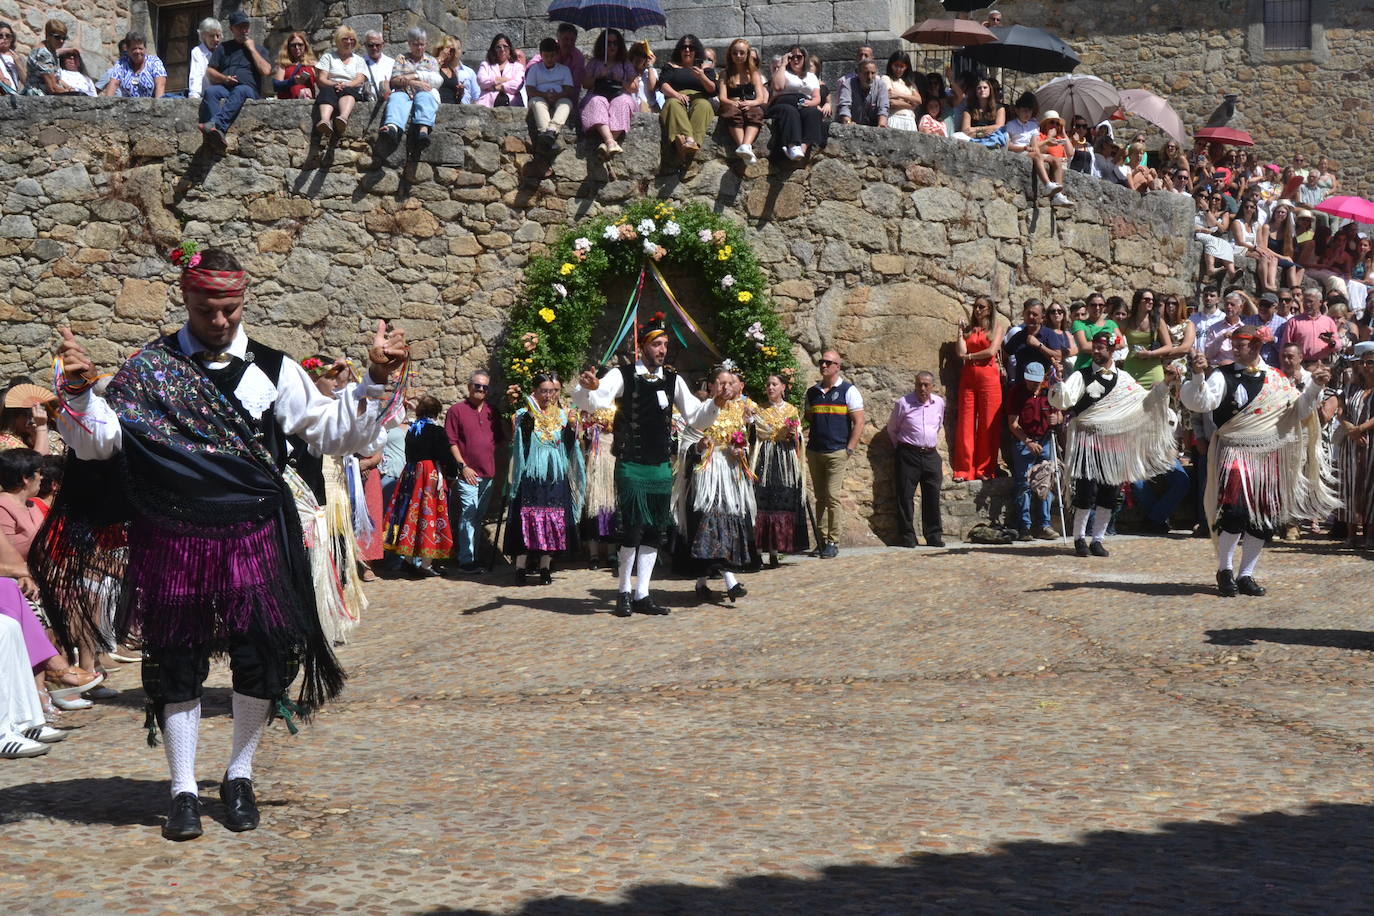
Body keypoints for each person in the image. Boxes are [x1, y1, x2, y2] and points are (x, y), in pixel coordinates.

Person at [35, 244, 407, 841]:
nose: (221, 321)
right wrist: (78, 396)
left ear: (242, 301)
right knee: (174, 662)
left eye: (232, 309)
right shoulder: (149, 367)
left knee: (262, 657)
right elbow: (100, 444)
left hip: (254, 533)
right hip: (173, 536)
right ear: (185, 299)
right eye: (209, 309)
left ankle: (239, 774)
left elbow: (334, 433)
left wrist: (375, 381)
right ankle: (182, 789)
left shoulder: (274, 368)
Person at [572, 317, 728, 616]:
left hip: (659, 464)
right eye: (657, 344)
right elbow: (593, 401)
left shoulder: (673, 380)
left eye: (666, 344)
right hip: (631, 463)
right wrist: (586, 387)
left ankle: (643, 593)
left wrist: (715, 404)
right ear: (642, 347)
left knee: (655, 529)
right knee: (632, 528)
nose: (662, 350)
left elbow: (696, 418)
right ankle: (623, 592)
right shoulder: (623, 375)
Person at [1181, 328, 1336, 596]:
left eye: (1239, 345)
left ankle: (1246, 575)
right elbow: (1201, 402)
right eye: (1233, 344)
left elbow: (1299, 411)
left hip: (1268, 454)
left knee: (1263, 518)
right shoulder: (1222, 375)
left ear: (1255, 345)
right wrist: (1197, 375)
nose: (1234, 349)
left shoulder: (1275, 379)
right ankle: (1225, 569)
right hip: (1235, 450)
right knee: (1235, 511)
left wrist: (1316, 387)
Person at [1050, 330, 1179, 557]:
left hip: (1114, 443)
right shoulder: (1081, 376)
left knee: (1110, 493)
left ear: (1111, 350)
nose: (1096, 352)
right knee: (1085, 491)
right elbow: (1064, 400)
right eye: (1095, 347)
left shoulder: (1124, 379)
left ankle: (1098, 539)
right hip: (1088, 441)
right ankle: (1079, 538)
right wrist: (1059, 383)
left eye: (1101, 348)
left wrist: (1164, 384)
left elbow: (1145, 401)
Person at [676, 366, 756, 603]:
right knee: (712, 523)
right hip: (708, 478)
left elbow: (744, 441)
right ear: (711, 386)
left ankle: (702, 582)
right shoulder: (700, 412)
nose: (726, 387)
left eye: (730, 383)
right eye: (721, 383)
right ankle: (730, 582)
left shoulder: (738, 411)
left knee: (726, 524)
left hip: (730, 477)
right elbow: (686, 446)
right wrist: (700, 447)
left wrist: (739, 450)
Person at [503, 374, 582, 585]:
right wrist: (526, 423)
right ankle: (520, 567)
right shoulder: (523, 415)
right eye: (544, 391)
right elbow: (520, 446)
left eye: (552, 391)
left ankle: (545, 567)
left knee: (553, 520)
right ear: (535, 392)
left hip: (555, 476)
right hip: (532, 477)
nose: (549, 396)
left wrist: (572, 430)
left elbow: (568, 446)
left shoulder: (563, 416)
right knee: (526, 518)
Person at [384, 394, 455, 575]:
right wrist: (452, 474)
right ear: (436, 412)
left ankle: (408, 560)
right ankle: (425, 564)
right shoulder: (436, 431)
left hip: (411, 474)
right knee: (428, 515)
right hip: (428, 476)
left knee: (411, 514)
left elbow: (409, 454)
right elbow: (445, 456)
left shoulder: (412, 429)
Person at [804, 349, 865, 558]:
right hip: (815, 451)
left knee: (832, 496)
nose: (824, 366)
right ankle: (821, 540)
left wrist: (849, 448)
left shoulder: (849, 390)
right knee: (819, 497)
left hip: (837, 451)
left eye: (828, 363)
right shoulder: (812, 393)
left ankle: (833, 540)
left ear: (837, 367)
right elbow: (810, 419)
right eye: (822, 362)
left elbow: (859, 422)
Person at [445, 371, 503, 574]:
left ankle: (473, 556)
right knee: (468, 514)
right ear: (469, 387)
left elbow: (499, 440)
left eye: (485, 387)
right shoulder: (456, 411)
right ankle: (466, 560)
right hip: (467, 473)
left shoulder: (492, 412)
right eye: (477, 386)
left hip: (488, 474)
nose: (480, 390)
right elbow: (451, 441)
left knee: (477, 516)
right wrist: (463, 466)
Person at [751, 373, 809, 564]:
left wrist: (794, 435)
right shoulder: (759, 410)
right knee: (762, 502)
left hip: (784, 461)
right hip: (764, 459)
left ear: (783, 387)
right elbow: (755, 435)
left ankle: (775, 551)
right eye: (768, 384)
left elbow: (798, 438)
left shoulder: (791, 410)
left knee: (780, 502)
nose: (770, 388)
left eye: (774, 384)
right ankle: (758, 552)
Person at [887, 371, 945, 548]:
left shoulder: (939, 403)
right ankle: (907, 536)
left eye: (926, 385)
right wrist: (903, 449)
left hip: (930, 454)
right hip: (908, 454)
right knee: (905, 496)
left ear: (932, 386)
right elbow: (892, 429)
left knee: (932, 495)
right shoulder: (903, 403)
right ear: (914, 384)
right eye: (919, 384)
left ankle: (933, 535)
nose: (922, 388)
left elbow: (939, 424)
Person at [952, 296, 1006, 482]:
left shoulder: (996, 328)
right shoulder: (969, 330)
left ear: (989, 310)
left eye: (981, 307)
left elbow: (991, 352)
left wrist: (969, 356)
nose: (977, 310)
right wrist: (959, 331)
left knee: (988, 424)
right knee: (965, 424)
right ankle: (963, 469)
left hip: (989, 379)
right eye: (975, 306)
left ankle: (985, 469)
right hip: (968, 378)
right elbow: (960, 352)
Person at [1007, 362, 1060, 540]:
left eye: (1037, 382)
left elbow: (1062, 412)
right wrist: (1027, 441)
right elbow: (1013, 424)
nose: (1035, 385)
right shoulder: (1017, 393)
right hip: (1024, 441)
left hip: (1045, 440)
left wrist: (1057, 418)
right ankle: (1025, 527)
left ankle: (1044, 525)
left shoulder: (1049, 390)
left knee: (1047, 480)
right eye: (1031, 382)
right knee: (1024, 483)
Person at [201, 10, 270, 147]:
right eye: (239, 27)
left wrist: (251, 49)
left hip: (249, 90)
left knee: (241, 90)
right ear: (231, 29)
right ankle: (216, 133)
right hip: (226, 88)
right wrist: (225, 78)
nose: (244, 30)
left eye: (246, 26)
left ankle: (217, 125)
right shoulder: (223, 48)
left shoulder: (258, 49)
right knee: (211, 92)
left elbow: (266, 70)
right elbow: (209, 71)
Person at [1333, 344, 1374, 548]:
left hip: (1371, 441)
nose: (1365, 366)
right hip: (1351, 443)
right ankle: (1351, 534)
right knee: (1350, 486)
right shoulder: (1351, 387)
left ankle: (1370, 535)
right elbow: (1341, 409)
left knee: (1371, 487)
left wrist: (1362, 428)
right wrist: (1351, 429)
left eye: (1370, 362)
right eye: (1363, 362)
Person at [580, 29, 638, 161]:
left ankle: (607, 143)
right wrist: (599, 76)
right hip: (598, 92)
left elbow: (634, 87)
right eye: (609, 43)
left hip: (619, 93)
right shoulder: (595, 62)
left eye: (615, 43)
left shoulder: (625, 63)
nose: (612, 46)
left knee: (622, 102)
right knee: (596, 101)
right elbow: (585, 83)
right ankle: (610, 142)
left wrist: (622, 81)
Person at [379, 27, 441, 149]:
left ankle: (423, 131)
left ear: (426, 44)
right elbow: (395, 80)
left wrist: (408, 79)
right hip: (403, 92)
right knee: (396, 98)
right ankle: (392, 128)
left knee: (425, 97)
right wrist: (415, 83)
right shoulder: (401, 58)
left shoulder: (432, 61)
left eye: (422, 44)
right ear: (409, 44)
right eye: (416, 44)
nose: (419, 48)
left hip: (424, 93)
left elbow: (436, 81)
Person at [657, 34, 716, 159]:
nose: (687, 50)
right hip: (676, 97)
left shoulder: (705, 68)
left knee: (704, 105)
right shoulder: (671, 66)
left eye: (691, 47)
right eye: (684, 47)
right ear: (679, 50)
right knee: (672, 104)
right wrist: (677, 95)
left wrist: (702, 76)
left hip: (699, 98)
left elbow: (713, 89)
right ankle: (689, 139)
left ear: (696, 50)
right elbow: (663, 85)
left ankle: (689, 143)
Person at [768, 44, 826, 162]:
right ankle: (792, 145)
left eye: (799, 57)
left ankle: (803, 148)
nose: (795, 59)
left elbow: (816, 98)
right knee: (790, 111)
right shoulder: (783, 72)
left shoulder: (811, 76)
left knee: (813, 113)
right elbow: (778, 87)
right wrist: (783, 64)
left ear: (805, 58)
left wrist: (810, 104)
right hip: (783, 103)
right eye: (792, 57)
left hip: (803, 103)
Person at [580, 398, 618, 570]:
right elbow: (581, 434)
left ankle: (611, 553)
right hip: (594, 461)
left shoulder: (619, 406)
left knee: (611, 506)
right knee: (593, 506)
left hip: (612, 460)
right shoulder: (588, 407)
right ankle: (593, 554)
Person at [718, 38, 766, 163]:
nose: (738, 56)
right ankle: (744, 148)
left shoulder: (754, 73)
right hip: (732, 103)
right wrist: (733, 102)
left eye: (742, 53)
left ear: (747, 54)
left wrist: (751, 103)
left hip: (750, 103)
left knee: (756, 113)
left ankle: (745, 145)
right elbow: (722, 97)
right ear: (730, 54)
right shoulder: (725, 73)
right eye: (735, 53)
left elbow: (760, 97)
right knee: (732, 113)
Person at [313, 26, 366, 138]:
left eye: (352, 39)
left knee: (348, 92)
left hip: (350, 87)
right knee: (326, 91)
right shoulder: (328, 57)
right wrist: (335, 84)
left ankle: (343, 118)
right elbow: (322, 78)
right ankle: (325, 120)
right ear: (338, 40)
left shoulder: (359, 60)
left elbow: (360, 79)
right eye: (345, 39)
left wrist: (346, 85)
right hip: (331, 86)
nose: (349, 42)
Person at [524, 37, 575, 151]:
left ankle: (551, 130)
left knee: (566, 104)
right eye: (546, 56)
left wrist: (558, 96)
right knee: (537, 104)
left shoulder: (564, 70)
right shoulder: (534, 69)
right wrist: (544, 95)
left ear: (557, 55)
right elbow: (530, 89)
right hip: (539, 97)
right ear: (541, 55)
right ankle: (547, 136)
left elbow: (568, 90)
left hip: (559, 97)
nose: (549, 59)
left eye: (552, 55)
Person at [1279, 286, 1340, 362]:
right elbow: (1286, 346)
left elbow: (1338, 344)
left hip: (1324, 365)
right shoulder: (1294, 322)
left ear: (1320, 302)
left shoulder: (1328, 321)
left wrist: (1331, 342)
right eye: (1305, 301)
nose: (1307, 304)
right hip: (1302, 365)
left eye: (1310, 301)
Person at [100, 31, 167, 98]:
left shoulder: (154, 62)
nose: (138, 51)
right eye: (134, 49)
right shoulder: (121, 63)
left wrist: (157, 106)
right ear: (128, 49)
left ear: (145, 49)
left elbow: (160, 85)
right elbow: (113, 83)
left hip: (150, 105)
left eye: (140, 48)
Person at [1031, 111, 1074, 206]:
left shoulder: (1059, 138)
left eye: (1057, 123)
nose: (1054, 125)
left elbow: (1070, 153)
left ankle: (1058, 195)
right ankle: (1057, 195)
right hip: (1050, 161)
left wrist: (1063, 134)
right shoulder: (1040, 135)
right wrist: (1049, 137)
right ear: (1045, 124)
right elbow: (1039, 151)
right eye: (1052, 122)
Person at [1072, 292, 1119, 371]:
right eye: (1093, 305)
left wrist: (1094, 344)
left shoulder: (1110, 324)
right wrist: (1108, 343)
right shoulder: (1079, 324)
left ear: (1104, 307)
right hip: (1085, 368)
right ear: (1087, 307)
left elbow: (1121, 343)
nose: (1097, 308)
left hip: (1105, 369)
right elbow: (1084, 346)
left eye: (1101, 305)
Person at [836, 58, 887, 128]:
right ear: (858, 73)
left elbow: (883, 107)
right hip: (853, 125)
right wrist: (848, 122)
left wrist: (882, 124)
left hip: (873, 126)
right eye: (866, 73)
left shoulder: (881, 85)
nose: (869, 77)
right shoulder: (848, 84)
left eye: (873, 73)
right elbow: (844, 106)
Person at [476, 33, 523, 108]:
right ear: (494, 50)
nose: (502, 50)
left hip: (513, 105)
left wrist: (495, 87)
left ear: (510, 49)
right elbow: (481, 81)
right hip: (487, 105)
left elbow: (517, 85)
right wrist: (502, 80)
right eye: (498, 47)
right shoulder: (486, 65)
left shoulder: (517, 67)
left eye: (505, 46)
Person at [882, 51, 920, 132]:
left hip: (910, 120)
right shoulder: (886, 79)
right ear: (891, 65)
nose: (898, 69)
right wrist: (912, 105)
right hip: (894, 117)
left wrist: (898, 95)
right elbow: (892, 102)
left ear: (906, 67)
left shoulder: (910, 84)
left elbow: (918, 100)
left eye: (902, 66)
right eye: (896, 66)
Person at [434, 37, 479, 106]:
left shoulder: (455, 71)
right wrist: (440, 58)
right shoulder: (434, 64)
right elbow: (429, 75)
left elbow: (476, 97)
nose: (450, 53)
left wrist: (460, 93)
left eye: (453, 50)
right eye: (448, 49)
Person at [272, 31, 315, 100]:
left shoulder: (312, 65)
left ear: (305, 46)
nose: (297, 47)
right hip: (288, 101)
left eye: (300, 45)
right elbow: (277, 85)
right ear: (288, 47)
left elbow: (321, 83)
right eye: (293, 45)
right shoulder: (284, 65)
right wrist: (293, 81)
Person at [359, 30, 394, 105]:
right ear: (365, 45)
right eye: (370, 45)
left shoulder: (392, 63)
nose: (374, 48)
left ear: (383, 45)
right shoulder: (359, 63)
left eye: (377, 45)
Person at [0, 21, 25, 96]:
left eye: (7, 36)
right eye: (0, 35)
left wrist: (18, 64)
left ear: (12, 38)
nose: (4, 38)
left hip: (14, 94)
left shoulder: (17, 57)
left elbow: (25, 81)